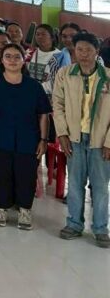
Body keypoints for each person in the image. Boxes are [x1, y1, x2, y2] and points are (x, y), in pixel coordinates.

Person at [0, 42, 50, 230]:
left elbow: (43, 114)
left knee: (26, 175)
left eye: (16, 57)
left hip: (28, 140)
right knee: (0, 174)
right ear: (2, 60)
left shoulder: (34, 86)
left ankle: (25, 210)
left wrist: (43, 140)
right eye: (8, 56)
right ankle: (1, 209)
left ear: (23, 60)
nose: (12, 60)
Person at [52, 32, 110, 247]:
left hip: (100, 140)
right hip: (74, 138)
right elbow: (58, 104)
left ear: (97, 52)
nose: (84, 54)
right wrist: (62, 133)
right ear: (74, 51)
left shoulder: (108, 76)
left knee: (100, 186)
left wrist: (109, 142)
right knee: (75, 184)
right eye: (79, 50)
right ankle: (74, 224)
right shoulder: (65, 74)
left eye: (88, 50)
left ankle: (101, 228)